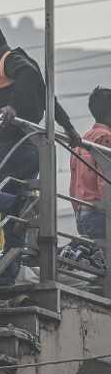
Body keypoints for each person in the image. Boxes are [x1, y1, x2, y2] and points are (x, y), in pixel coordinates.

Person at [0, 23, 80, 285]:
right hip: (31, 149)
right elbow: (50, 99)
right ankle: (7, 278)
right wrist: (69, 127)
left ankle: (20, 206)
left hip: (13, 146)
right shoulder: (27, 63)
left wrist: (12, 106)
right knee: (14, 223)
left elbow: (25, 76)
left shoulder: (12, 61)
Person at [64, 87, 111, 269]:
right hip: (101, 213)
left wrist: (78, 212)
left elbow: (73, 186)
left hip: (84, 213)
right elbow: (105, 182)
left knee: (98, 267)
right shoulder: (106, 139)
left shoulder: (82, 140)